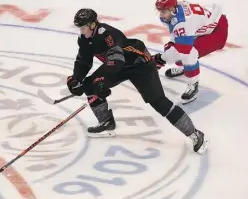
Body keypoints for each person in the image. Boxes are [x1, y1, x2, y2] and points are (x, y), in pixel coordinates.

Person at [66, 8, 208, 154]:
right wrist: (76, 79)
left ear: (92, 25)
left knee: (159, 102)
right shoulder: (84, 39)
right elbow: (84, 61)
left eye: (83, 27)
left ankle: (195, 135)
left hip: (140, 65)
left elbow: (117, 60)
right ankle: (106, 123)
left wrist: (102, 81)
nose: (81, 31)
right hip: (118, 66)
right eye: (80, 28)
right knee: (90, 85)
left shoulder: (107, 35)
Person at [153, 0, 228, 104]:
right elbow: (176, 33)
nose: (161, 15)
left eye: (163, 11)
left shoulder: (183, 22)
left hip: (217, 32)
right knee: (171, 49)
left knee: (188, 53)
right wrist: (167, 53)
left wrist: (161, 59)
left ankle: (193, 85)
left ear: (172, 9)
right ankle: (184, 69)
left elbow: (183, 49)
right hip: (203, 27)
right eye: (159, 11)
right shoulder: (176, 12)